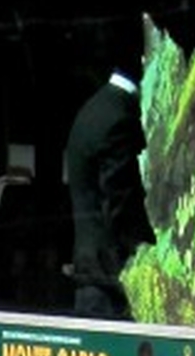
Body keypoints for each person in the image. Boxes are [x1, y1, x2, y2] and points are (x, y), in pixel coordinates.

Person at [64, 42, 152, 318]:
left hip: (93, 274)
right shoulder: (119, 117)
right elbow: (119, 203)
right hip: (110, 282)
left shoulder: (94, 109)